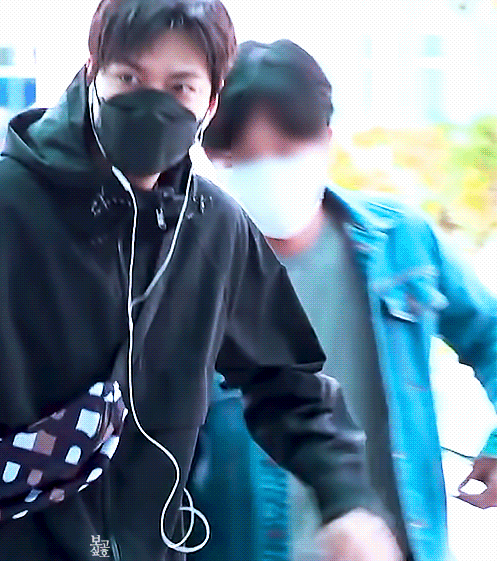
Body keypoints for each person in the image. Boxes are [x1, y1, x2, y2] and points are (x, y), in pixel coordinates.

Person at [0, 0, 402, 561]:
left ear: (210, 101)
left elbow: (287, 381)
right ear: (93, 74)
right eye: (129, 79)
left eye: (180, 86)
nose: (152, 103)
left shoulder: (213, 229)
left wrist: (346, 500)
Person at [193, 39, 497, 561]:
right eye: (241, 160)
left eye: (285, 153)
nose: (266, 173)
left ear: (326, 140)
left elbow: (489, 334)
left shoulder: (400, 243)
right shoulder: (188, 271)